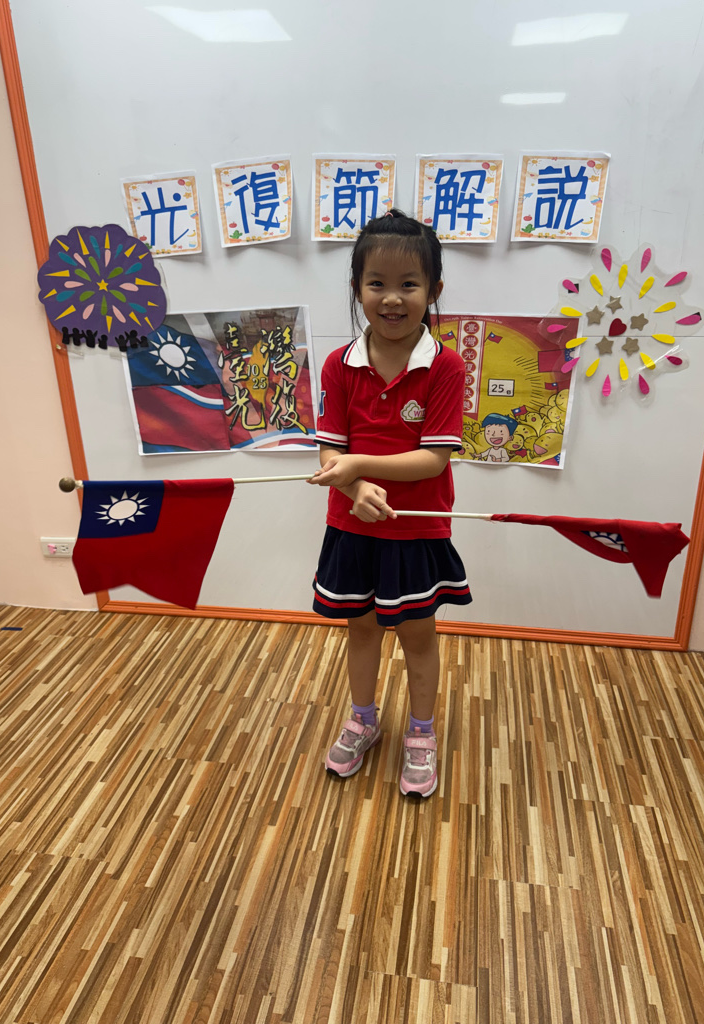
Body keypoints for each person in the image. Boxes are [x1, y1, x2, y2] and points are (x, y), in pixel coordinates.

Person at [307, 209, 472, 799]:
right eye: (377, 283)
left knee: (418, 637)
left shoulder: (445, 365)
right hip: (351, 528)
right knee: (362, 631)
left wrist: (358, 467)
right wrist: (353, 486)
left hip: (416, 532)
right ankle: (363, 720)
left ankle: (421, 732)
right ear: (358, 288)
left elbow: (434, 459)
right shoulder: (338, 364)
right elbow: (331, 452)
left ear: (434, 290)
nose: (393, 298)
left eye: (409, 284)